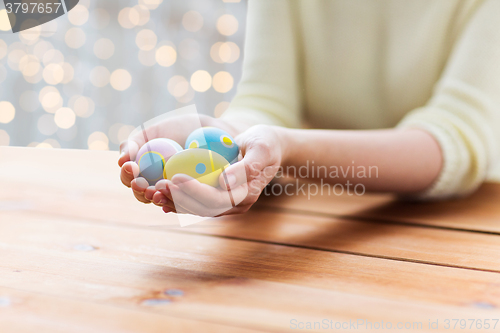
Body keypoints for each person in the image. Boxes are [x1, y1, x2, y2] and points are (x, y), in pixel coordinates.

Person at [119, 0, 500, 216]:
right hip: (312, 213)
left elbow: (454, 138)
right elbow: (268, 99)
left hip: (466, 222)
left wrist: (285, 150)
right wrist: (232, 138)